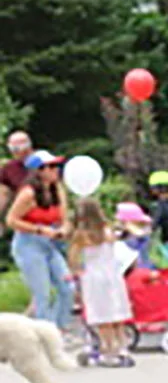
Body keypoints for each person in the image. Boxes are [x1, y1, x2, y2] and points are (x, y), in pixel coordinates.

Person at [6, 151, 75, 333]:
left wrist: (65, 229)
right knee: (42, 294)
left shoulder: (56, 190)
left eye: (56, 166)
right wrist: (39, 229)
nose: (55, 171)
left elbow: (64, 217)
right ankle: (44, 334)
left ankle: (58, 328)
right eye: (50, 167)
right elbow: (11, 220)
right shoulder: (28, 194)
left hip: (50, 243)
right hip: (29, 244)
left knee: (68, 287)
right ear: (38, 171)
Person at [69, 197, 135, 366]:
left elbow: (73, 259)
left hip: (94, 275)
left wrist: (75, 272)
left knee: (102, 314)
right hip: (112, 273)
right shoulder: (108, 231)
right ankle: (122, 347)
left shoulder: (82, 235)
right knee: (116, 312)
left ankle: (108, 348)